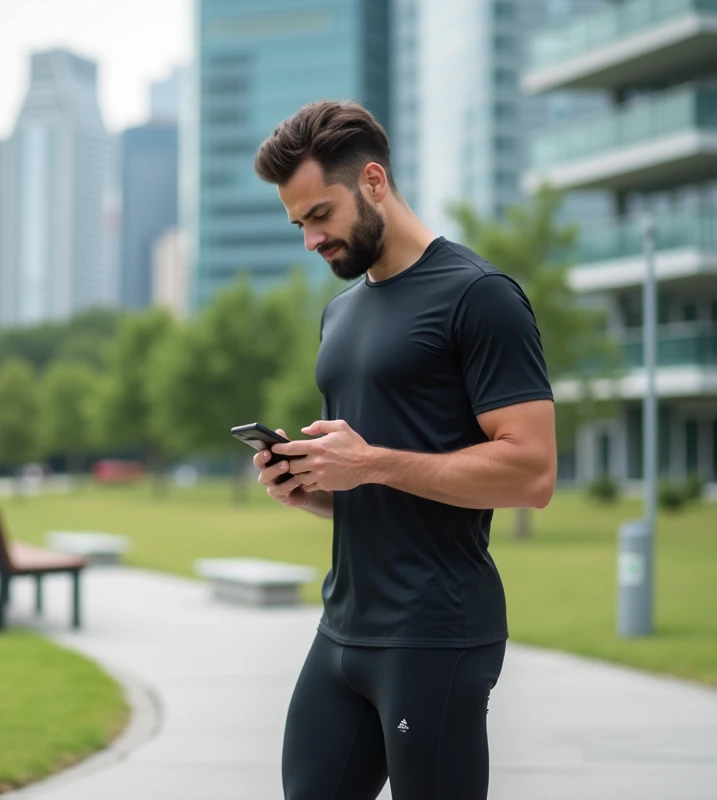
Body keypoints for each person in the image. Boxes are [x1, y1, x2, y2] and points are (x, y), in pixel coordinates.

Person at [250, 100, 558, 800]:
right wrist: (314, 486)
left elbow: (533, 472)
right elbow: (370, 486)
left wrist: (371, 462)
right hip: (343, 627)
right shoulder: (340, 313)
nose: (310, 240)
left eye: (320, 215)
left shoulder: (480, 297)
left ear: (375, 182)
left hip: (435, 634)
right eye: (298, 224)